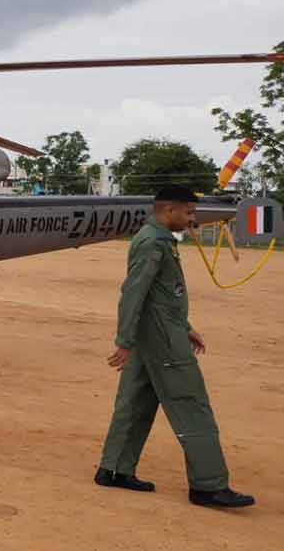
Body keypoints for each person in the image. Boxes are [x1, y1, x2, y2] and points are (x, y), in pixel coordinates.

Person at [96, 185, 254, 508]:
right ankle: (208, 486)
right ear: (169, 210)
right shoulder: (153, 242)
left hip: (156, 335)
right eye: (189, 212)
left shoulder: (158, 240)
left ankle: (114, 470)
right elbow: (133, 293)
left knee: (135, 402)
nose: (192, 219)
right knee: (192, 405)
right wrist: (124, 342)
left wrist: (185, 328)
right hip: (161, 342)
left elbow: (164, 296)